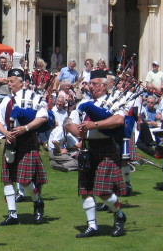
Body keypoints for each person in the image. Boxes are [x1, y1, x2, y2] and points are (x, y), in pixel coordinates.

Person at [67, 69, 127, 238]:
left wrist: (95, 125)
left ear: (104, 85)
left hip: (106, 147)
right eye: (89, 84)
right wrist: (77, 131)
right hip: (87, 148)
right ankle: (92, 226)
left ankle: (119, 215)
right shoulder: (83, 103)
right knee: (85, 190)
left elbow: (118, 120)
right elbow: (69, 122)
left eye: (94, 84)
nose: (90, 87)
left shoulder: (114, 101)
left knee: (104, 191)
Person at [0, 68, 47, 227]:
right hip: (11, 141)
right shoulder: (5, 101)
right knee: (8, 179)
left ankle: (37, 201)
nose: (9, 84)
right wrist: (5, 132)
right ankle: (12, 214)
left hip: (27, 140)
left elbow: (43, 117)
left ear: (22, 82)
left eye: (11, 81)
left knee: (24, 180)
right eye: (8, 81)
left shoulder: (34, 97)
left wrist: (26, 128)